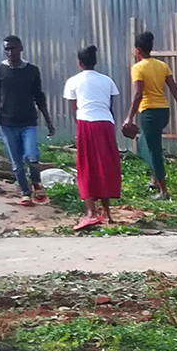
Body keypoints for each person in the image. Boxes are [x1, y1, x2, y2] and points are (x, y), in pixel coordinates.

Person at [62, 44, 121, 231]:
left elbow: (74, 111)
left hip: (86, 123)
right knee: (105, 165)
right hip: (106, 124)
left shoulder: (73, 81)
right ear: (95, 62)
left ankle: (90, 213)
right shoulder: (107, 81)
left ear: (80, 63)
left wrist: (80, 129)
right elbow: (110, 107)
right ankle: (107, 213)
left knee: (86, 166)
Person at [0, 35, 54, 204]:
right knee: (16, 164)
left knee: (32, 156)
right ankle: (25, 193)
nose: (10, 52)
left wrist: (48, 121)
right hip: (7, 122)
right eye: (7, 49)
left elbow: (39, 97)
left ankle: (36, 183)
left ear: (21, 48)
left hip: (28, 122)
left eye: (13, 48)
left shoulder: (32, 71)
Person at [127, 31, 177, 200]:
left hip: (149, 112)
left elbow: (138, 95)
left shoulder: (138, 68)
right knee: (147, 144)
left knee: (152, 150)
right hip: (163, 111)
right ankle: (155, 179)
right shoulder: (162, 66)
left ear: (138, 50)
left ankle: (164, 192)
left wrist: (129, 117)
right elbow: (174, 90)